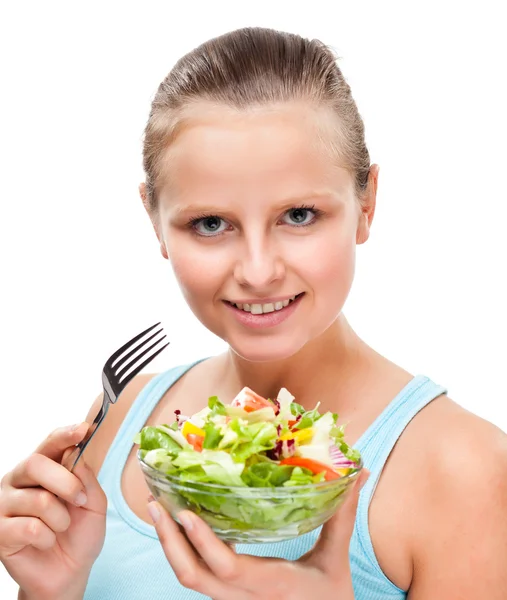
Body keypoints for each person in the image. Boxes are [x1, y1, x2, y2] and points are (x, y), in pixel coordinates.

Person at [1, 26, 506, 600]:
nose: (259, 271)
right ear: (154, 220)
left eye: (298, 215)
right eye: (210, 224)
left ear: (366, 204)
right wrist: (53, 588)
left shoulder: (463, 471)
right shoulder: (117, 419)